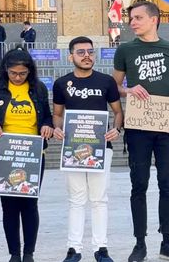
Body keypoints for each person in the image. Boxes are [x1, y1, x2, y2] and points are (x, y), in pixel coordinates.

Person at [112, 1, 169, 262]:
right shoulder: (125, 49)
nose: (132, 22)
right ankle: (140, 243)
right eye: (131, 18)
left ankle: (168, 241)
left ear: (154, 20)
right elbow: (115, 86)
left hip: (166, 129)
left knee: (168, 185)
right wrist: (128, 90)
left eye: (138, 18)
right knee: (139, 185)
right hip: (138, 129)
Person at [52, 36, 123, 262]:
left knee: (99, 199)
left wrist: (116, 129)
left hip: (102, 147)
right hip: (73, 149)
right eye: (81, 52)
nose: (86, 56)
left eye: (90, 52)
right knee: (76, 199)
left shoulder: (106, 81)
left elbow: (118, 112)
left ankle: (100, 249)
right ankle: (74, 249)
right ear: (70, 56)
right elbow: (57, 114)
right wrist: (57, 129)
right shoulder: (61, 83)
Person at [0, 47, 53, 262]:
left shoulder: (38, 89)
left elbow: (47, 118)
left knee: (30, 204)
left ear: (30, 71)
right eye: (14, 73)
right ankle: (14, 253)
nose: (18, 77)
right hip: (5, 154)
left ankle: (29, 253)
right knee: (9, 206)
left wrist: (46, 128)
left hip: (32, 154)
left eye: (23, 73)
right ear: (6, 70)